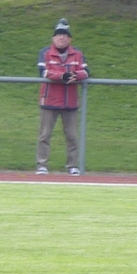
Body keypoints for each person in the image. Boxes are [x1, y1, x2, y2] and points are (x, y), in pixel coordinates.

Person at [36, 19, 88, 175]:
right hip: (49, 100)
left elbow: (86, 72)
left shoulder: (77, 53)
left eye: (65, 35)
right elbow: (44, 72)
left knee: (72, 136)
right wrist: (62, 76)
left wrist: (74, 76)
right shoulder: (45, 52)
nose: (62, 38)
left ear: (70, 38)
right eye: (58, 35)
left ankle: (72, 165)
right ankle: (42, 165)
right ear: (53, 38)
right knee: (44, 135)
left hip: (70, 102)